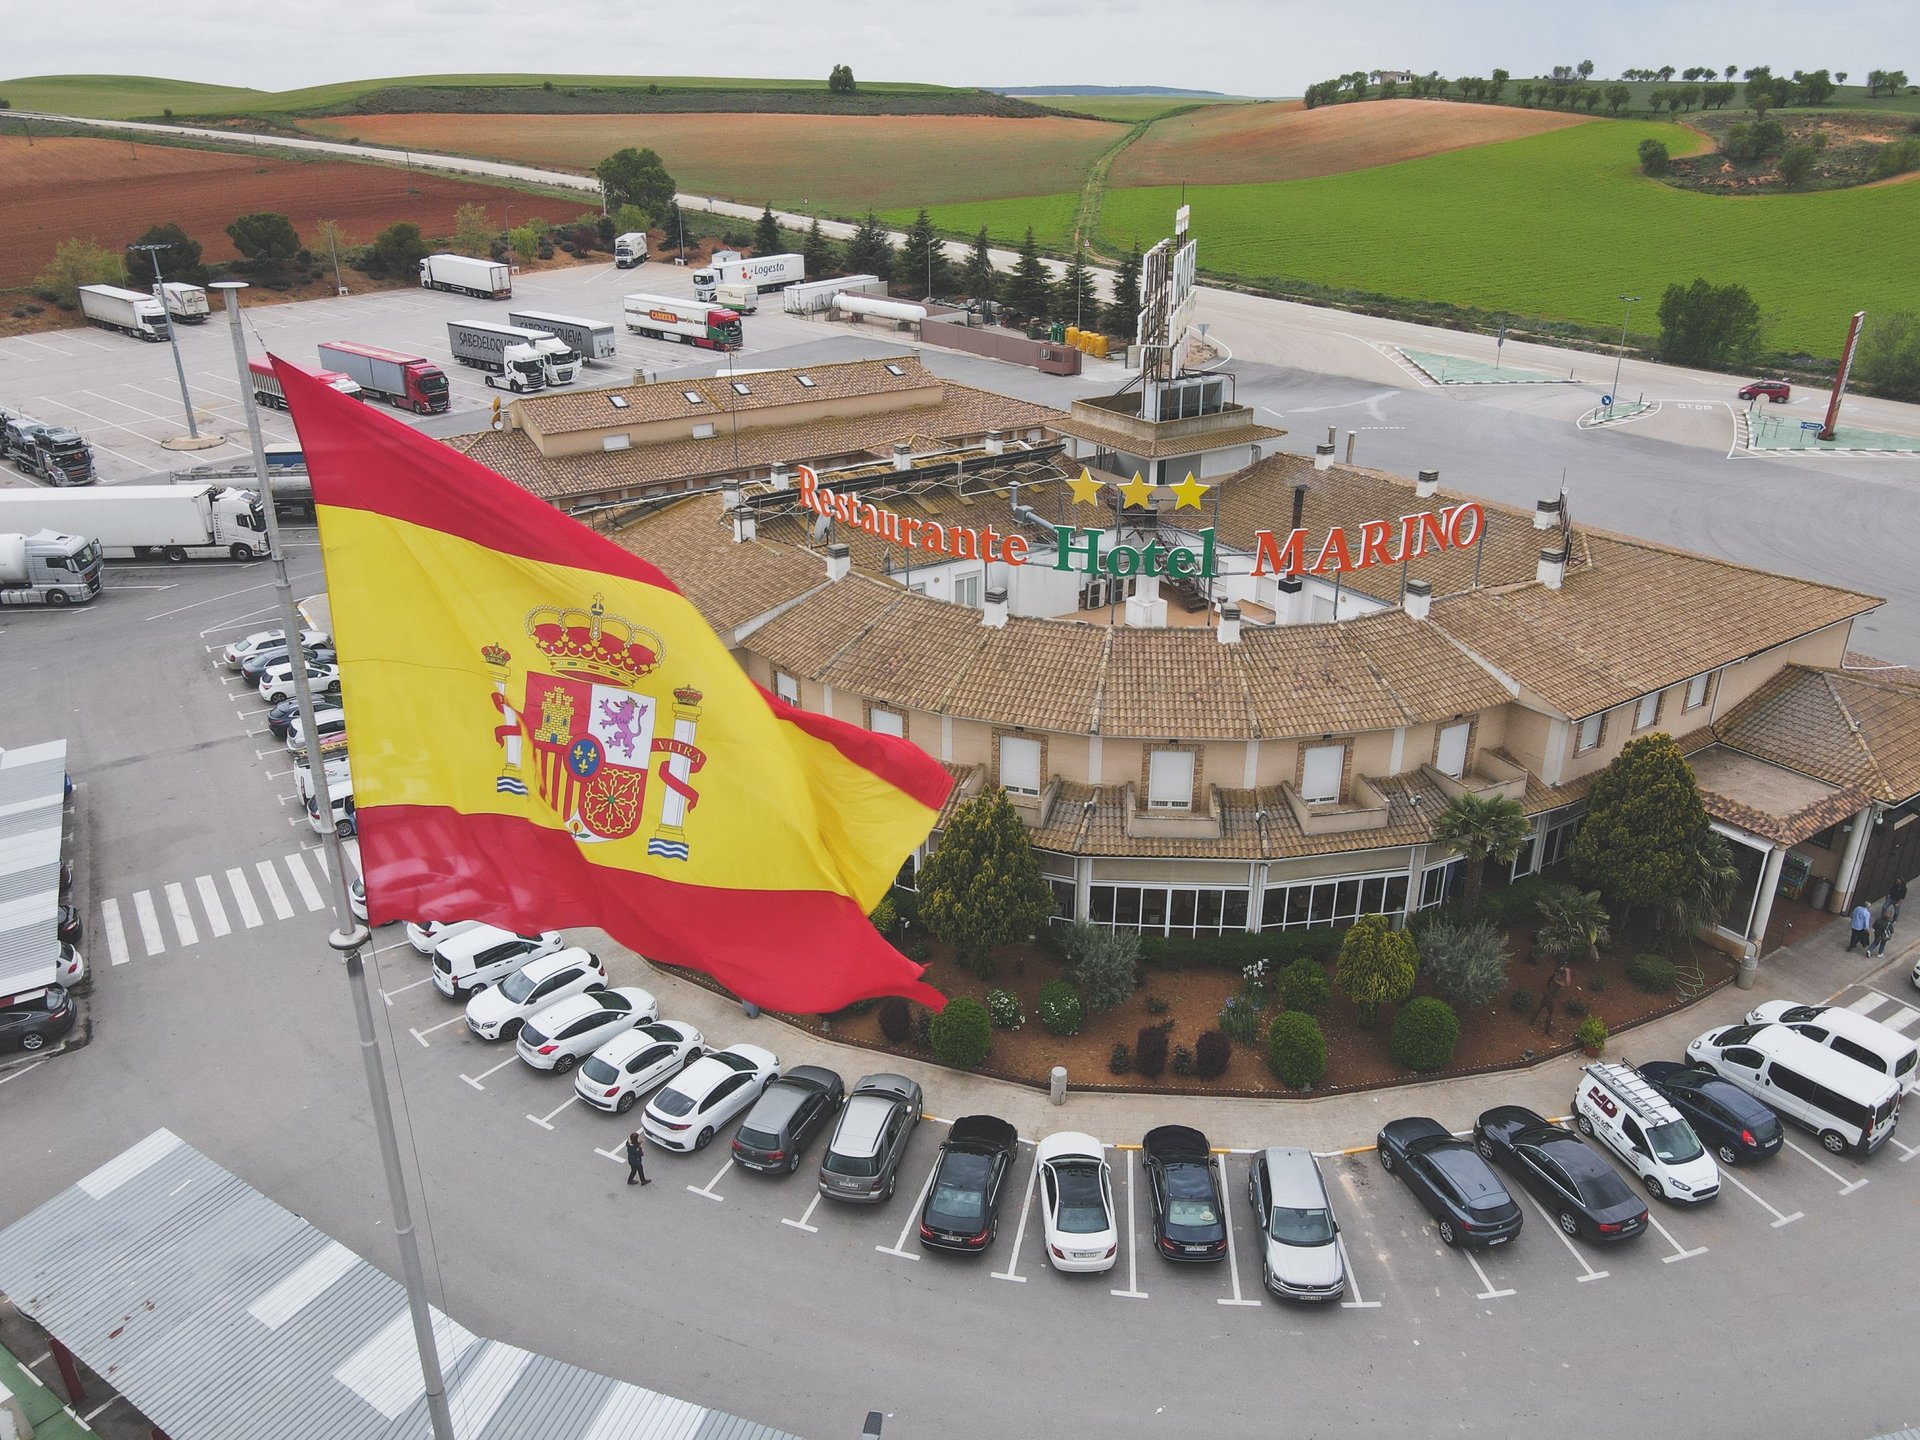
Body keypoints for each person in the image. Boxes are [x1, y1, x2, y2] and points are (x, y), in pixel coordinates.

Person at [1533, 961, 1572, 1037]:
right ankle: (1547, 1030)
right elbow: (1567, 984)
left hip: (1546, 994)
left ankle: (1531, 1021)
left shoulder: (1555, 976)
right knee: (1551, 1013)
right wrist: (1568, 972)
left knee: (1539, 1007)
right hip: (1549, 997)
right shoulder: (1557, 981)